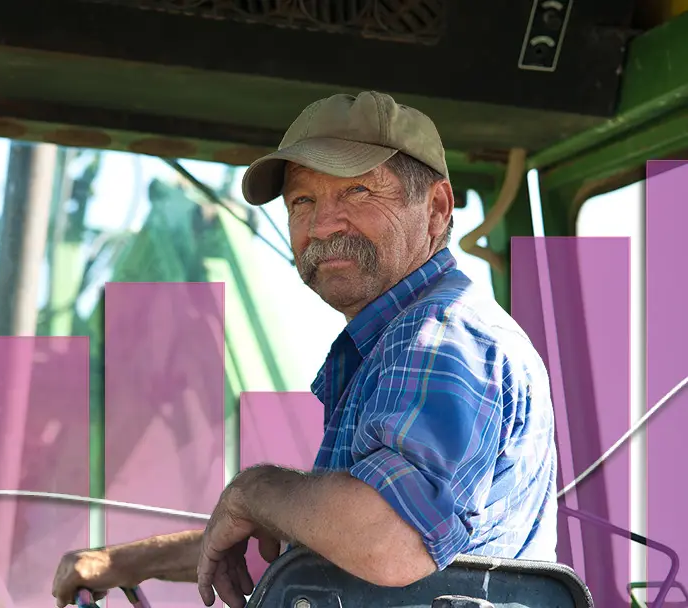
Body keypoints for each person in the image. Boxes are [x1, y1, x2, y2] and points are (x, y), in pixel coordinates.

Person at [51, 91, 557, 608]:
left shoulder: (439, 336)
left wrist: (254, 489)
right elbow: (319, 548)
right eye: (302, 201)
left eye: (358, 191)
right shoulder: (393, 344)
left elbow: (390, 542)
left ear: (436, 209)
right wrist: (126, 564)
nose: (321, 225)